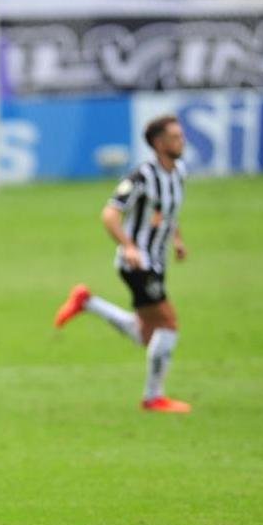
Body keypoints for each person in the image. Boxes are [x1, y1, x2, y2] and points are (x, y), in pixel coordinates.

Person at [53, 114, 192, 413]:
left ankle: (87, 302)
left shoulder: (179, 172)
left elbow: (168, 212)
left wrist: (177, 240)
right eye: (175, 137)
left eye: (181, 136)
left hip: (157, 261)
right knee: (168, 323)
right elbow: (110, 214)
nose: (181, 141)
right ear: (158, 143)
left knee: (146, 334)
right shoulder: (141, 177)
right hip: (138, 264)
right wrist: (128, 247)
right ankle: (153, 397)